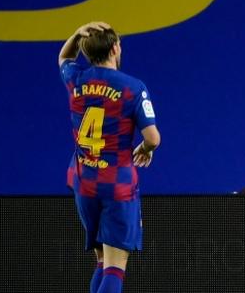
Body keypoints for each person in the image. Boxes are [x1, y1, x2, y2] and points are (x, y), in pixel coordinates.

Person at [59, 22, 161, 293]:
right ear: (115, 48)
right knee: (115, 266)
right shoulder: (132, 87)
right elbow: (152, 137)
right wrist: (146, 150)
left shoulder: (76, 79)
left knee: (102, 260)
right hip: (117, 185)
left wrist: (77, 32)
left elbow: (64, 58)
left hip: (85, 181)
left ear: (85, 50)